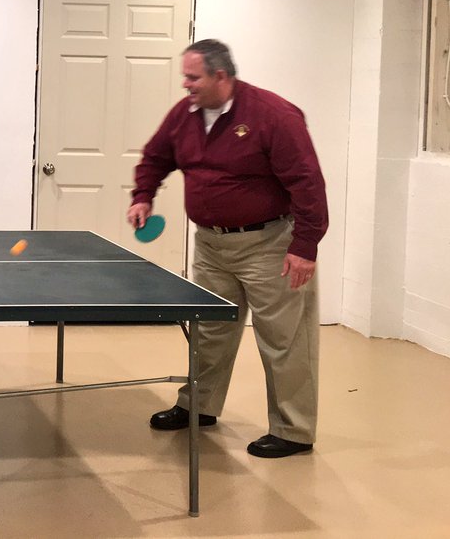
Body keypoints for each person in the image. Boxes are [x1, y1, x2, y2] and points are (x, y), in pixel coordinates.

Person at [127, 39, 326, 459]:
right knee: (210, 330)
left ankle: (293, 431)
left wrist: (304, 246)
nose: (185, 84)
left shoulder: (273, 115)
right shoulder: (185, 115)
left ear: (222, 76)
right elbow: (156, 155)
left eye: (192, 76)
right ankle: (198, 407)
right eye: (185, 76)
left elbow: (307, 183)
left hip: (270, 244)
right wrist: (143, 194)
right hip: (211, 244)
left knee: (284, 340)